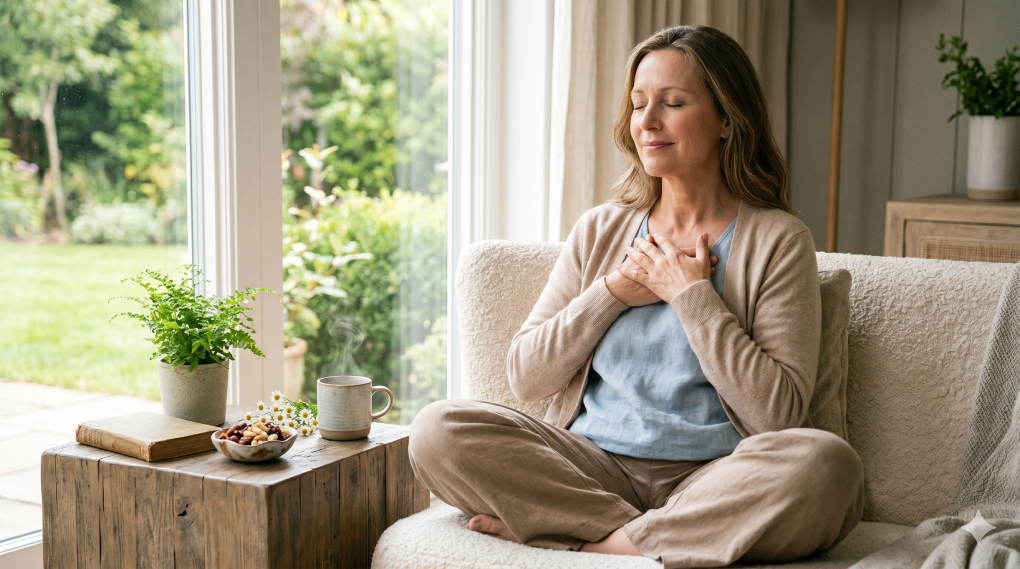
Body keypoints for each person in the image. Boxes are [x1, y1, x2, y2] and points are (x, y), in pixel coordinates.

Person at [408, 25, 865, 568]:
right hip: (590, 467)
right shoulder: (601, 229)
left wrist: (693, 296)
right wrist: (612, 292)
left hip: (712, 479)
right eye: (639, 103)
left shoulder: (778, 240)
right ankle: (661, 539)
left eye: (672, 103)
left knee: (826, 464)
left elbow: (778, 416)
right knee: (437, 429)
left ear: (726, 119)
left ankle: (595, 545)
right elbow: (526, 375)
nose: (646, 122)